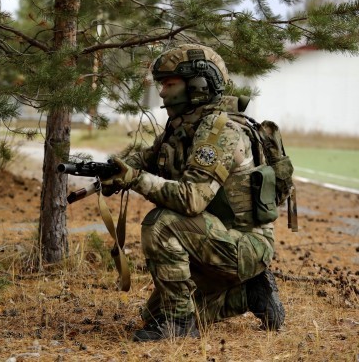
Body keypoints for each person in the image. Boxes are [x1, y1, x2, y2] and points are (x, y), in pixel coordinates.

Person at [103, 43, 285, 341]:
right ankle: (249, 294)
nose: (162, 92)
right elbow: (146, 158)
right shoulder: (183, 127)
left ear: (199, 85)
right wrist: (111, 171)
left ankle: (181, 325)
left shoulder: (220, 132)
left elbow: (191, 199)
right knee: (150, 316)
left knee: (160, 223)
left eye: (170, 83)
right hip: (212, 236)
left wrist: (134, 179)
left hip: (245, 245)